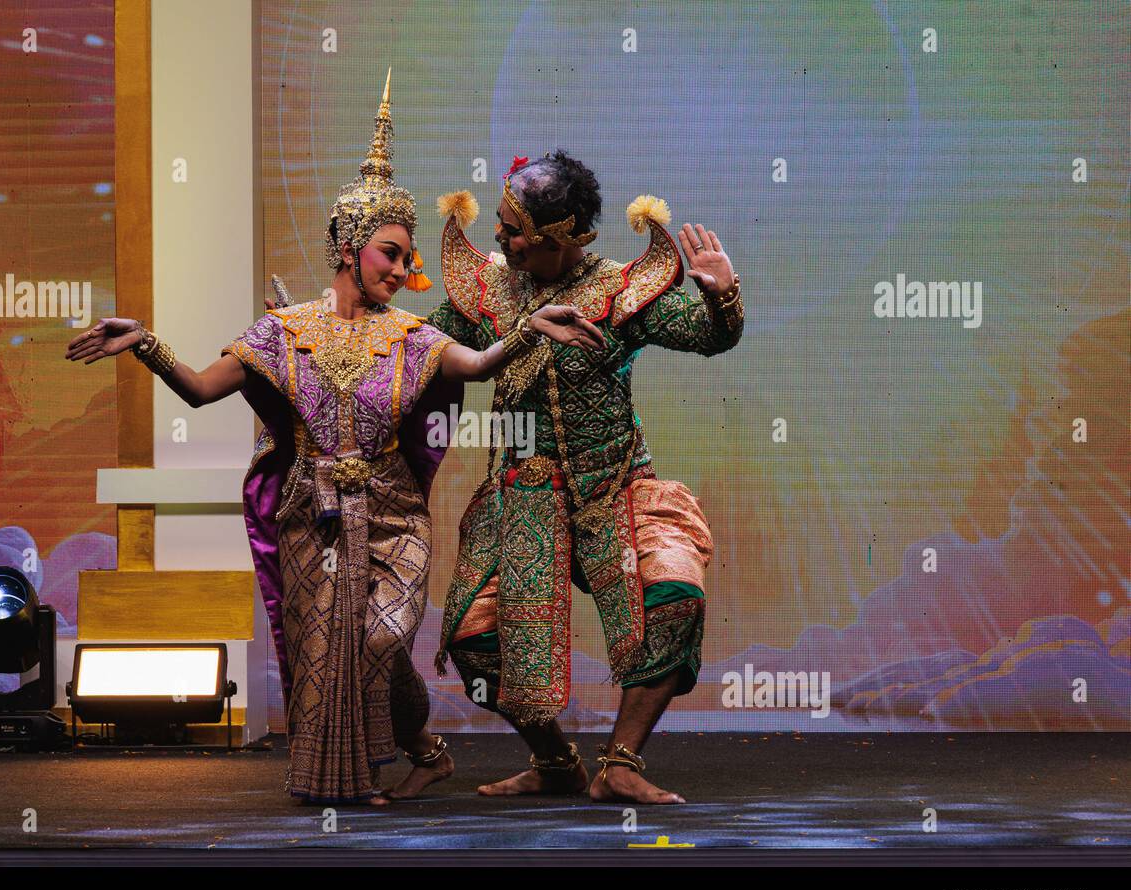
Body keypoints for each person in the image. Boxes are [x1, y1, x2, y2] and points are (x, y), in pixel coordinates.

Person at [65, 77, 604, 806]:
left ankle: (403, 748)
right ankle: (403, 757)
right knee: (337, 647)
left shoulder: (411, 335)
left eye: (407, 257)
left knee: (380, 637)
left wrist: (528, 329)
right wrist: (145, 343)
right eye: (388, 252)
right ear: (348, 246)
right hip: (310, 512)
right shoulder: (283, 333)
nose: (400, 270)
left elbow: (474, 366)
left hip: (394, 513)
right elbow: (198, 388)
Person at [428, 150, 745, 804]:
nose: (499, 236)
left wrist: (721, 301)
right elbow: (423, 349)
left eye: (516, 230)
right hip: (521, 503)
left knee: (676, 596)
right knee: (471, 642)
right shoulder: (486, 287)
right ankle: (553, 761)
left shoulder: (620, 292)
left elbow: (706, 338)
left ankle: (621, 762)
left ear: (566, 239)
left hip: (615, 492)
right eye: (501, 221)